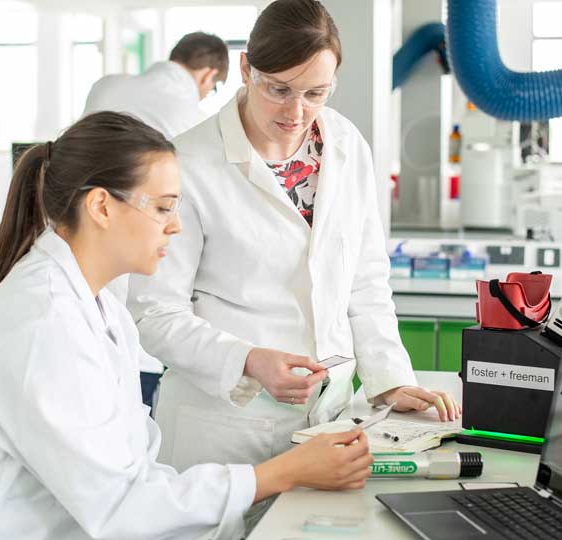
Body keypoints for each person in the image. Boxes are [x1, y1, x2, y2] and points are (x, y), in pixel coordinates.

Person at [0, 111, 375, 540]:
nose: (175, 227)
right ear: (101, 206)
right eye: (162, 208)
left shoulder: (101, 307)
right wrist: (283, 473)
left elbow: (137, 474)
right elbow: (120, 507)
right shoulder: (44, 324)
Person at [127, 0, 461, 524]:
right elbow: (152, 312)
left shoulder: (347, 145)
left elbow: (366, 280)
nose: (296, 111)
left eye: (315, 93)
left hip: (329, 425)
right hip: (224, 430)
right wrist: (248, 360)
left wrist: (390, 380)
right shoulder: (187, 162)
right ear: (245, 69)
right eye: (278, 88)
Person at [84, 32, 229, 407]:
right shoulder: (192, 120)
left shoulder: (106, 85)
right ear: (208, 77)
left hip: (83, 252)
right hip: (125, 272)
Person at [83, 32, 228, 140]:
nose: (203, 97)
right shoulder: (196, 124)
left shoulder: (105, 84)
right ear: (208, 75)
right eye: (212, 90)